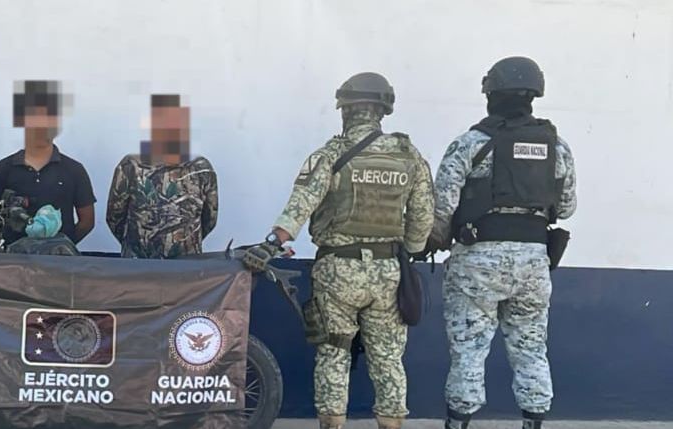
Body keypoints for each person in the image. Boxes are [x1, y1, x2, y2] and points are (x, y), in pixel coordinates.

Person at [243, 73, 434, 429]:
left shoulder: (332, 154)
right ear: (383, 111)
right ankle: (392, 424)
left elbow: (301, 204)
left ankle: (332, 424)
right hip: (388, 271)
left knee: (334, 352)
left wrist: (272, 243)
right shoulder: (409, 155)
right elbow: (423, 217)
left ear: (345, 110)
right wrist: (408, 250)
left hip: (338, 270)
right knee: (388, 358)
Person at [430, 57, 577, 429]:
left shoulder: (471, 144)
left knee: (468, 352)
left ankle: (459, 423)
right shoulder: (557, 148)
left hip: (476, 263)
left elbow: (442, 206)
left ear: (491, 94)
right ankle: (533, 422)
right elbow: (566, 207)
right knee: (531, 350)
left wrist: (432, 239)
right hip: (533, 264)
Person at [106, 94, 219, 259]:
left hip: (187, 266)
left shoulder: (202, 169)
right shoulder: (131, 166)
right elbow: (114, 217)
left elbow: (209, 220)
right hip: (137, 265)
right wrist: (138, 245)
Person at [0, 80, 96, 245]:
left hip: (59, 259)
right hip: (12, 259)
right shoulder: (3, 169)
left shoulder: (74, 170)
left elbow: (87, 222)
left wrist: (63, 247)